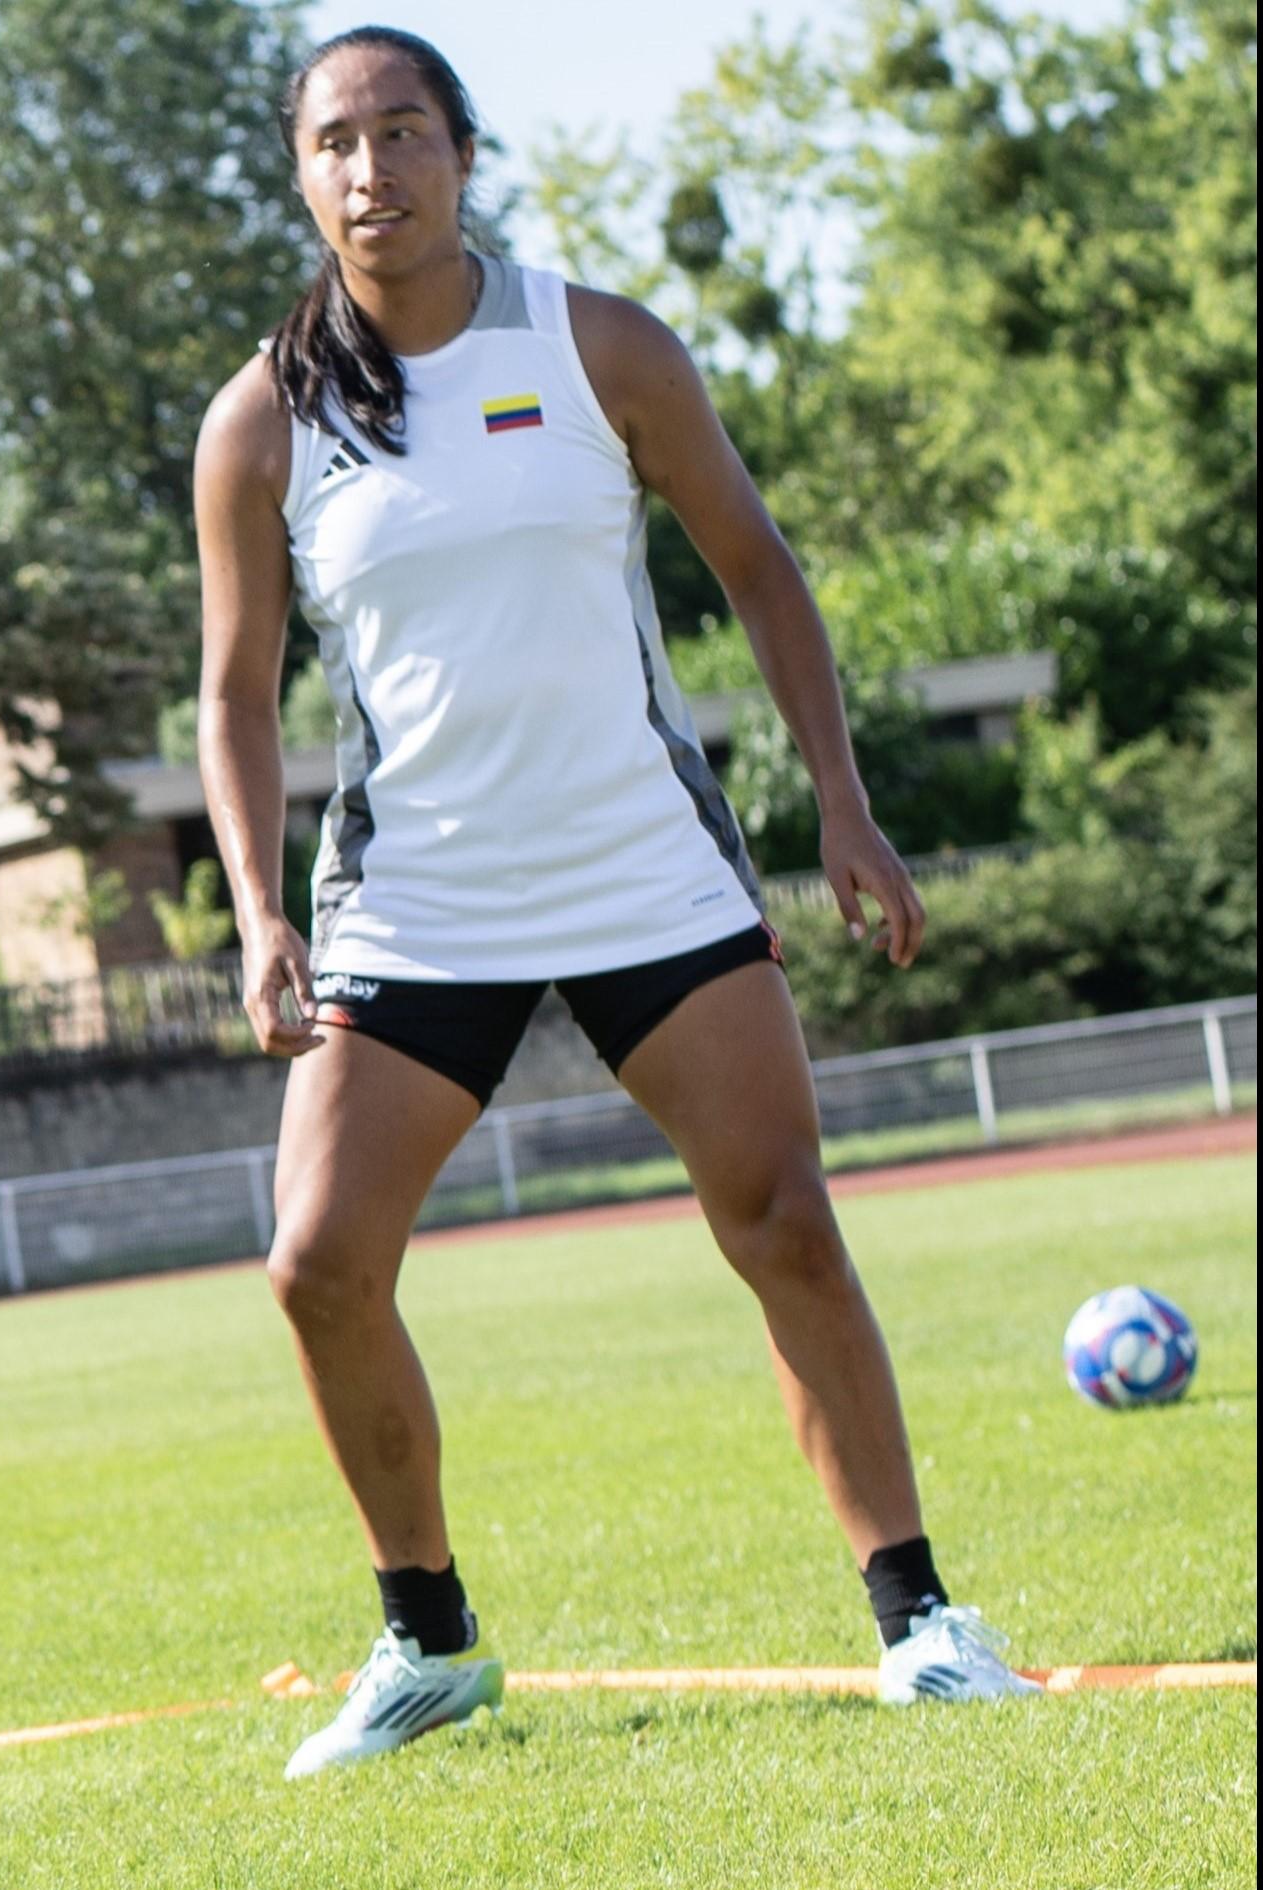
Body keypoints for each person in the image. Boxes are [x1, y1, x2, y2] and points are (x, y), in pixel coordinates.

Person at [187, 27, 1035, 1779]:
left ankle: (919, 1625)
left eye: (402, 132)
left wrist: (842, 808)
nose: (371, 170)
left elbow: (753, 567)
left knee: (780, 1220)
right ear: (299, 174)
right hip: (410, 899)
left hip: (637, 863)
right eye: (335, 142)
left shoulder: (594, 347)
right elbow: (229, 693)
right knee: (313, 1266)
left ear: (461, 152)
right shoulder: (259, 417)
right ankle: (422, 1644)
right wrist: (259, 915)